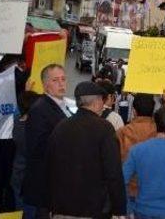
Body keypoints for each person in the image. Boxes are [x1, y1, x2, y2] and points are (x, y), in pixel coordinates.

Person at [47, 82, 126, 218]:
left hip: (62, 208)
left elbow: (49, 167)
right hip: (93, 209)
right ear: (96, 103)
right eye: (102, 100)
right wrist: (119, 209)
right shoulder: (104, 128)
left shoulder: (61, 127)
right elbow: (113, 172)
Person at [123, 107, 165, 219]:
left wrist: (128, 208)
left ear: (154, 124)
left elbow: (122, 181)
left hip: (142, 210)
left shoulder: (137, 150)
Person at [23, 64, 69, 219]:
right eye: (56, 80)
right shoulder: (40, 109)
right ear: (45, 85)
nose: (61, 83)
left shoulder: (62, 105)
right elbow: (37, 149)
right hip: (43, 190)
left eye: (63, 79)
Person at [10, 90, 39, 211]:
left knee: (20, 206)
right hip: (30, 178)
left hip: (17, 173)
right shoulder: (32, 130)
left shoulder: (15, 121)